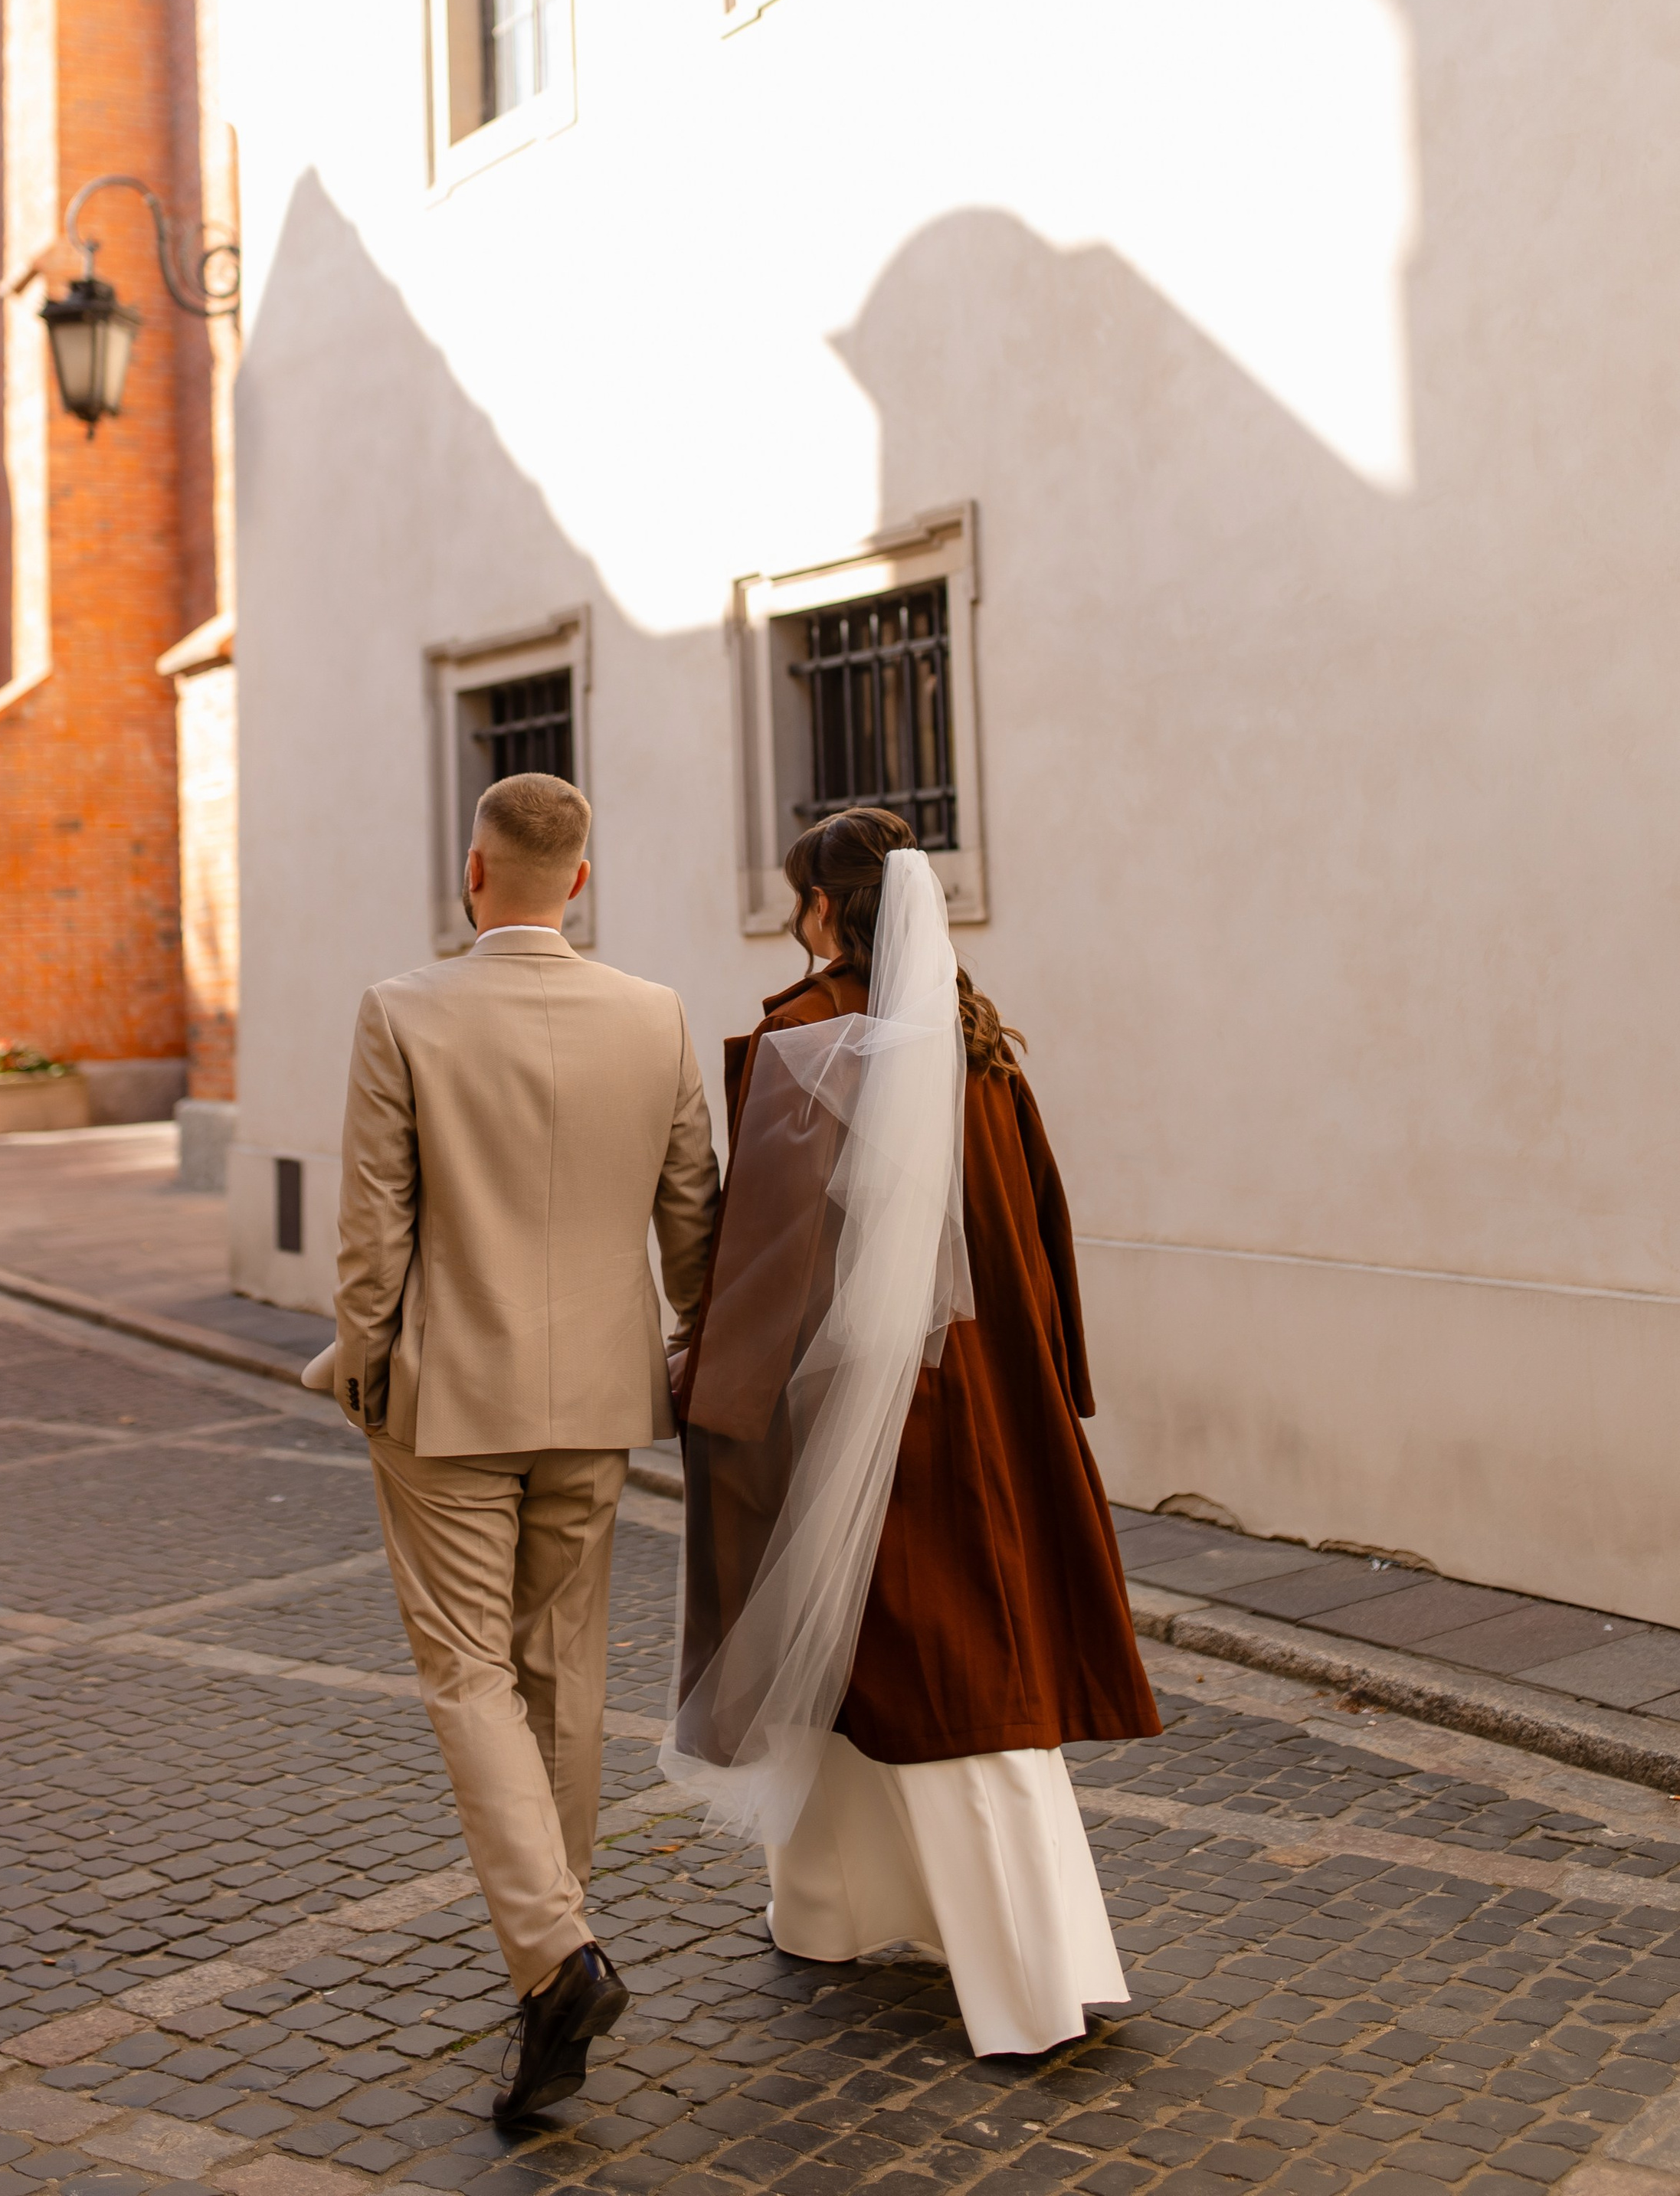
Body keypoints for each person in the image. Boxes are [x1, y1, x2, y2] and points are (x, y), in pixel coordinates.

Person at [665, 807, 1159, 2058]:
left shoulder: (807, 1042)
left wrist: (713, 1399)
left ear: (827, 912)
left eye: (801, 902)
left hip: (872, 1423)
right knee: (871, 1667)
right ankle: (827, 1905)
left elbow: (770, 1258)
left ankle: (1034, 1983)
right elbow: (1047, 1239)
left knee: (947, 1684)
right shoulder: (984, 1048)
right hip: (995, 1406)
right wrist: (1060, 1391)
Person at [322, 772, 720, 2124]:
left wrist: (362, 1366)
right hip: (600, 1400)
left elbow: (375, 1227)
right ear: (581, 883)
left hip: (447, 1398)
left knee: (466, 1673)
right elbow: (696, 1227)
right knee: (561, 1671)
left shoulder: (404, 1010)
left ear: (475, 874)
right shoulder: (655, 1016)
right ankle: (550, 1949)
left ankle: (558, 1959)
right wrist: (682, 1359)